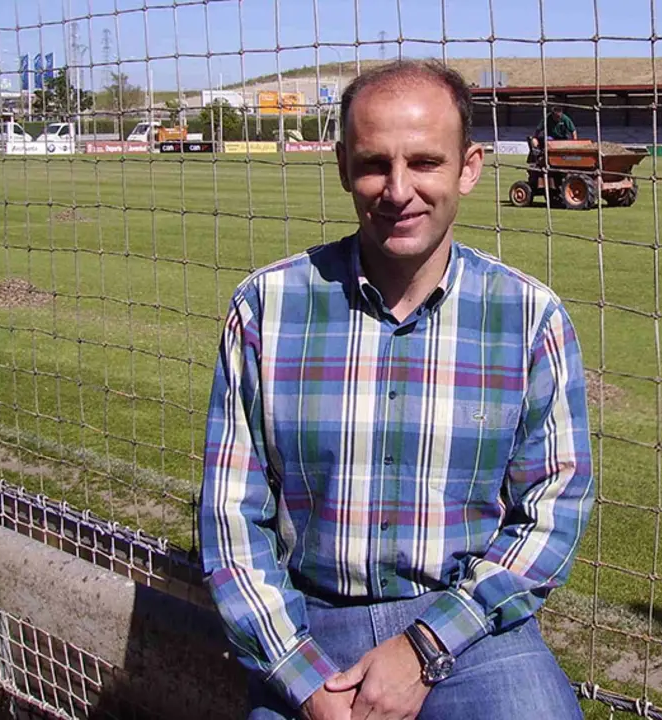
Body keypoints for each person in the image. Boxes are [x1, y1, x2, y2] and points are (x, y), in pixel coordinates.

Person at [201, 59, 593, 720]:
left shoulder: (530, 318)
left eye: (425, 162)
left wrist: (423, 646)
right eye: (375, 164)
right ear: (342, 165)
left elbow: (553, 508)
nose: (399, 190)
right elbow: (230, 517)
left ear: (468, 167)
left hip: (470, 625)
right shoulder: (267, 307)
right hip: (310, 623)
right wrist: (303, 681)